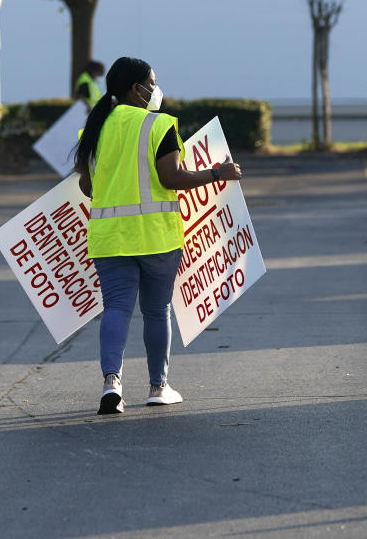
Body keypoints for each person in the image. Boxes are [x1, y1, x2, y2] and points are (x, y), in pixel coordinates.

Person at [74, 56, 242, 415]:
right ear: (137, 89)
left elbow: (87, 187)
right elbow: (171, 178)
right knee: (155, 311)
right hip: (155, 237)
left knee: (116, 308)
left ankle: (111, 383)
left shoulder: (95, 127)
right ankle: (157, 387)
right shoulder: (159, 124)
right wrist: (218, 173)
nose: (156, 88)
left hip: (108, 237)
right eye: (152, 81)